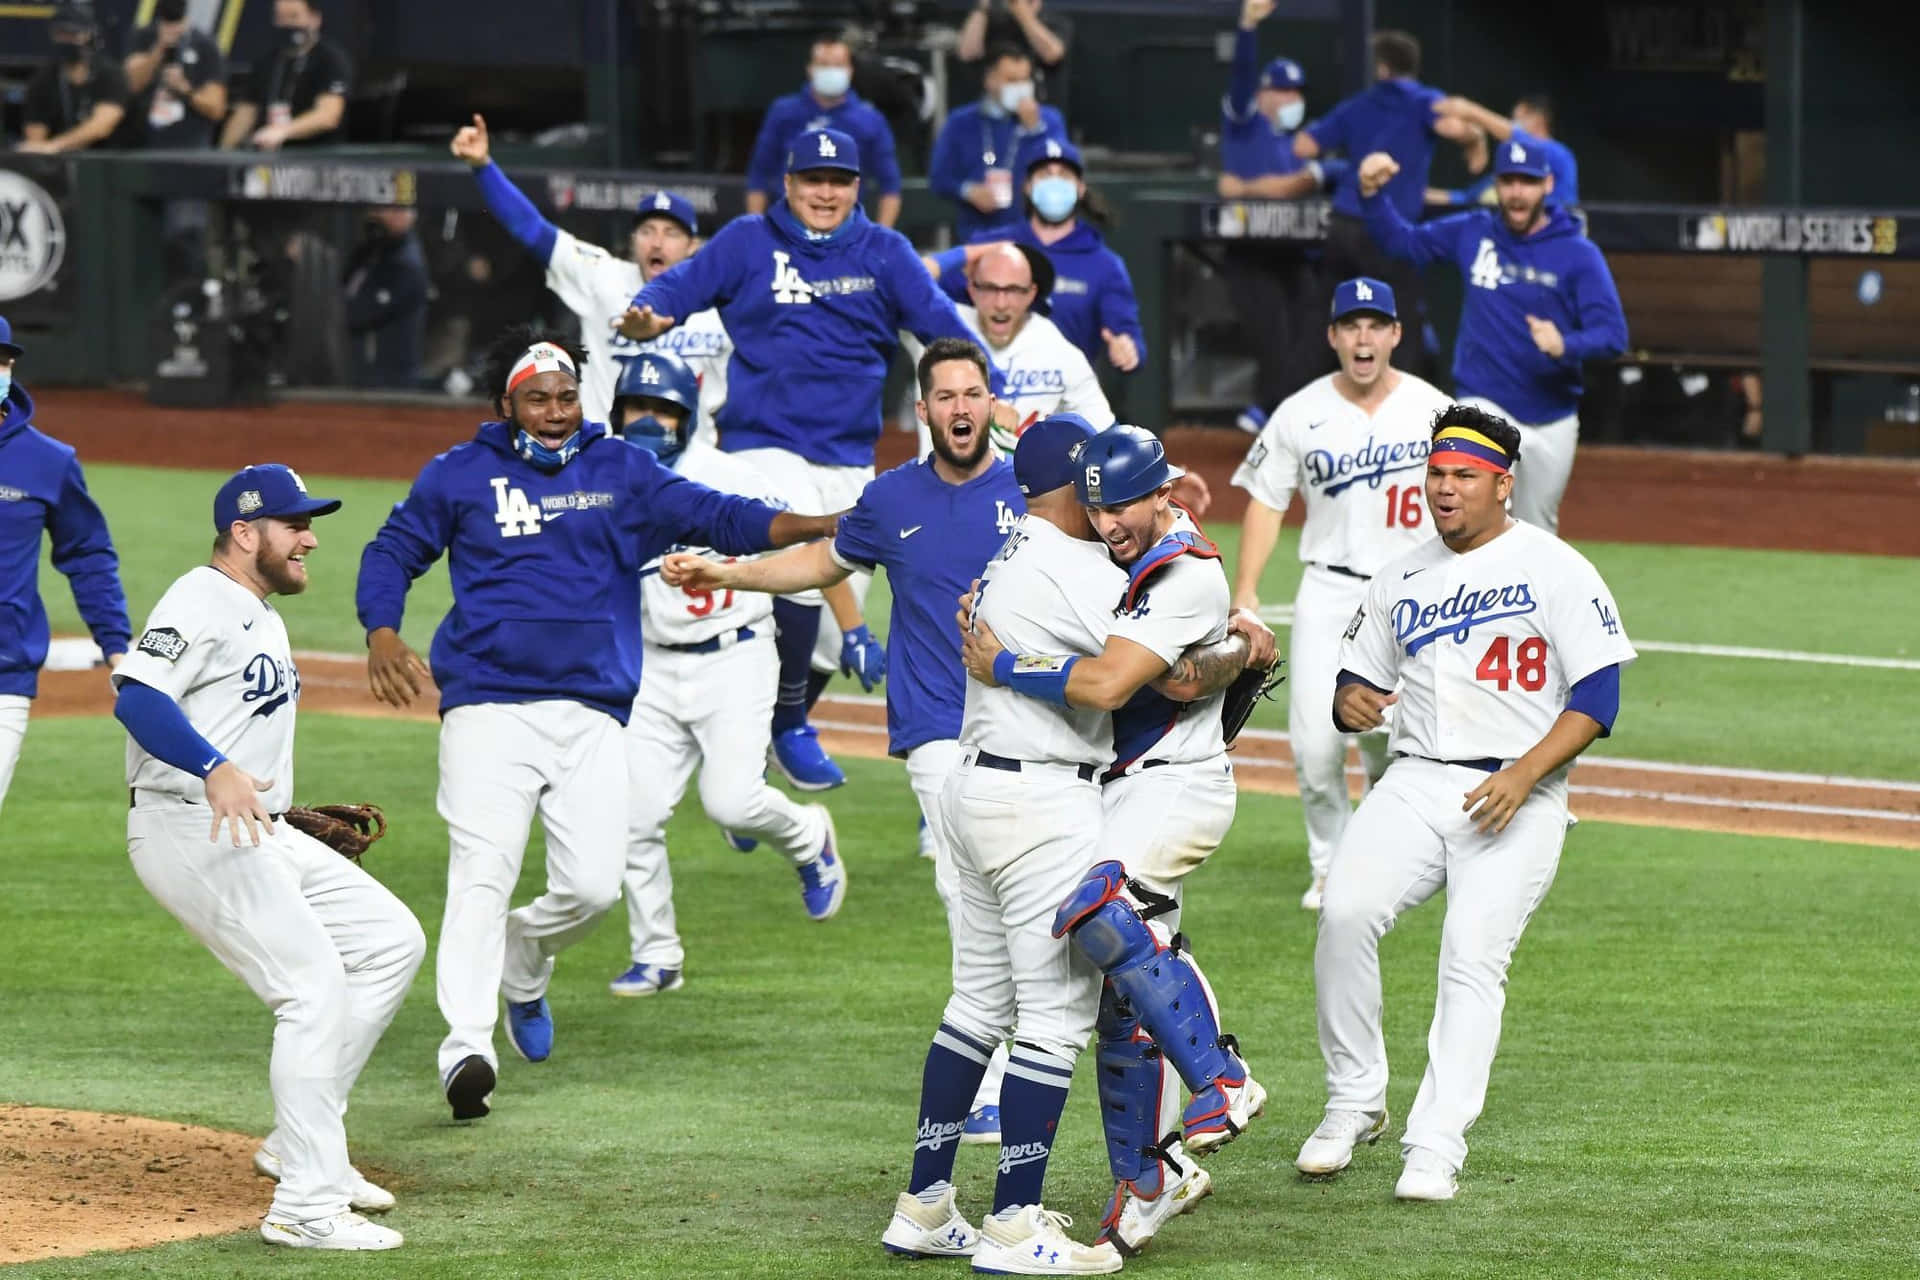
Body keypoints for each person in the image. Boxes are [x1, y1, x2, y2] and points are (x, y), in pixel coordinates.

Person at [354, 327, 842, 1121]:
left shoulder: (621, 471)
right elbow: (393, 549)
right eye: (537, 398)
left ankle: (528, 953)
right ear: (506, 405)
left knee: (591, 889)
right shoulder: (461, 474)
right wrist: (381, 628)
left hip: (591, 712)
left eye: (566, 396)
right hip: (486, 706)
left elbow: (721, 517)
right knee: (481, 873)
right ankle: (466, 1046)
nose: (554, 411)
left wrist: (821, 524)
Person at [1297, 405, 1635, 1201]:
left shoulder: (1557, 568)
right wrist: (1350, 701)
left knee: (1471, 955)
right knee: (1343, 914)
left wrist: (1525, 775)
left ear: (1502, 486)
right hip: (1415, 780)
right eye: (1437, 475)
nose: (1445, 491)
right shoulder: (1401, 575)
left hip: (1522, 792)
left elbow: (1599, 696)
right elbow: (1356, 676)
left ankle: (1437, 1143)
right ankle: (1354, 1101)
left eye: (1463, 478)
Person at [959, 424, 1273, 1257]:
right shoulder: (1116, 559)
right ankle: (1147, 1177)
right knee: (1119, 1000)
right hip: (1122, 788)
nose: (1109, 523)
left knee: (1101, 908)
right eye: (1096, 507)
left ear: (1164, 492)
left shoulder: (1186, 572)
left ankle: (1223, 1080)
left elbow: (1113, 681)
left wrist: (1007, 662)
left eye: (1125, 505)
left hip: (1178, 784)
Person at [621, 127, 994, 792]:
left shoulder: (885, 253)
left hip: (849, 454)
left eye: (840, 180)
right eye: (813, 180)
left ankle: (757, 741)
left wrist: (985, 382)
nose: (826, 192)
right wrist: (650, 314)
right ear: (788, 183)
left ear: (858, 188)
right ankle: (790, 723)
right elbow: (678, 286)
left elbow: (942, 325)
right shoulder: (747, 241)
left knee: (832, 619)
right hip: (762, 443)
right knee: (808, 562)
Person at [115, 464, 425, 1250]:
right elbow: (138, 694)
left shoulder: (257, 611)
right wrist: (215, 768)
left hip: (259, 828)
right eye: (295, 525)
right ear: (245, 534)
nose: (311, 537)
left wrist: (271, 800)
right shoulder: (200, 596)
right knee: (312, 989)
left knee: (390, 943)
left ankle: (301, 1143)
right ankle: (305, 1206)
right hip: (189, 827)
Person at [877, 414, 1123, 1274]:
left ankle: (925, 1203)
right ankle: (1015, 1220)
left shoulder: (1015, 548)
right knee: (1055, 1018)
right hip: (1041, 802)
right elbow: (1150, 668)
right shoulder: (1079, 567)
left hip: (973, 786)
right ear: (1078, 484)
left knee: (977, 1006)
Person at [607, 350, 845, 1001]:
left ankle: (809, 838)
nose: (649, 421)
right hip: (654, 668)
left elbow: (811, 553)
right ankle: (657, 954)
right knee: (633, 815)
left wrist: (846, 631)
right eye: (637, 408)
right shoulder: (607, 479)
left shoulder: (731, 477)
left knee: (731, 802)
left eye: (663, 410)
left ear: (688, 415)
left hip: (736, 655)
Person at [1230, 277, 1450, 911]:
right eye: (1351, 326)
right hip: (1327, 592)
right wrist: (1246, 592)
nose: (1363, 337)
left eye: (1375, 325)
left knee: (1393, 740)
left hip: (1410, 595)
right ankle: (1329, 863)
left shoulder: (1434, 408)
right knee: (1316, 742)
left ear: (1395, 335)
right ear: (1333, 337)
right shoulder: (1300, 412)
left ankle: (1385, 855)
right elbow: (1266, 501)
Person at [1357, 141, 1627, 531]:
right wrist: (1371, 195)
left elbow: (1614, 335)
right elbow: (1404, 242)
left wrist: (1567, 344)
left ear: (1548, 185)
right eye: (1508, 181)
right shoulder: (1473, 231)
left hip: (1552, 415)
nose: (1517, 191)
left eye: (1528, 182)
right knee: (1479, 517)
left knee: (1537, 531)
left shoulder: (1577, 253)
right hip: (1485, 402)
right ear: (1496, 185)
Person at [450, 113, 731, 431]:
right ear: (632, 240)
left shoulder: (722, 301)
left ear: (693, 245)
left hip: (691, 457)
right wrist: (483, 168)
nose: (657, 243)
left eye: (671, 233)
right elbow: (531, 229)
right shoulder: (602, 274)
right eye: (647, 231)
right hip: (607, 456)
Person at [1292, 29, 1483, 381]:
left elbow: (1303, 146)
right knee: (1399, 319)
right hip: (1390, 231)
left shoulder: (1358, 104)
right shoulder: (1425, 101)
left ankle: (1300, 408)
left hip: (1344, 224)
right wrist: (1477, 143)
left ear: (1382, 68)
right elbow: (1458, 129)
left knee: (1326, 319)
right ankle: (1402, 418)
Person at [0, 316, 130, 818]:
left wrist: (115, 644)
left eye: (2, 361)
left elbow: (88, 554)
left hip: (3, 679)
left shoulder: (48, 461)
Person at [1216, 0, 1346, 422]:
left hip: (1295, 250)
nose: (1291, 98)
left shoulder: (1301, 143)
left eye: (1296, 91)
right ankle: (1269, 409)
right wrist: (1248, 28)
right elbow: (1240, 79)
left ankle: (1273, 409)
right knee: (1272, 331)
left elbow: (1337, 171)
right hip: (1251, 248)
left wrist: (1260, 186)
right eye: (1282, 90)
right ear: (1264, 93)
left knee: (1313, 328)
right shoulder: (1245, 123)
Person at [931, 137, 1146, 378]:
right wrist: (965, 256)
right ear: (1028, 186)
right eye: (1045, 174)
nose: (1054, 182)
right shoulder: (990, 247)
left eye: (1063, 175)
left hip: (1067, 401)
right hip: (993, 393)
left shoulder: (1104, 264)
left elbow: (1126, 334)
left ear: (1080, 187)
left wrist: (1128, 349)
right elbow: (927, 287)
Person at [906, 242, 1111, 459]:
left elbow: (1103, 432)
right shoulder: (941, 323)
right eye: (990, 288)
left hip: (1023, 490)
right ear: (972, 289)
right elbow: (903, 281)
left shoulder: (1056, 348)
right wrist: (970, 253)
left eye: (1013, 290)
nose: (1001, 303)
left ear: (1031, 293)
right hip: (941, 486)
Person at [744, 34, 902, 228]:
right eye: (824, 64)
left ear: (850, 70)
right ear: (810, 69)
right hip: (787, 225)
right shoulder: (783, 112)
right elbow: (758, 175)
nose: (831, 71)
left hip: (847, 228)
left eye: (838, 65)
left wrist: (881, 240)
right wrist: (756, 233)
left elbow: (891, 186)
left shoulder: (871, 119)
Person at [929, 45, 1067, 241]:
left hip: (1038, 237)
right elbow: (939, 178)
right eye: (1011, 80)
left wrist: (1035, 130)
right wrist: (968, 191)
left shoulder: (1049, 121)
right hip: (977, 237)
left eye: (1025, 80)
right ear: (990, 80)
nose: (1020, 88)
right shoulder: (961, 122)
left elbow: (1062, 172)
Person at [220, 0, 352, 151]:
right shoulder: (267, 62)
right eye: (281, 18)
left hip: (314, 157)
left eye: (294, 17)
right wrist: (224, 153)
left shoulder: (330, 59)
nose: (287, 24)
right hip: (269, 159)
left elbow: (328, 115)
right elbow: (245, 113)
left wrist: (283, 131)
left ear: (314, 19)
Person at [1430, 93, 1579, 209]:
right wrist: (1416, 192)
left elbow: (1523, 140)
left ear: (1539, 119)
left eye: (1519, 119)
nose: (1513, 124)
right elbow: (1464, 197)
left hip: (1553, 237)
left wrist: (1470, 111)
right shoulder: (1509, 169)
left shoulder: (1559, 154)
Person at [18, 3, 130, 155]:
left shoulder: (109, 73)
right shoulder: (43, 80)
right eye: (60, 33)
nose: (65, 40)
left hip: (107, 162)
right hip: (57, 166)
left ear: (87, 35)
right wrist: (43, 148)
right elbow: (35, 137)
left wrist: (56, 145)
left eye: (72, 34)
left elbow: (102, 126)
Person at [344, 207, 430, 390]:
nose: (380, 215)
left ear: (409, 218)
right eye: (378, 209)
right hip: (365, 373)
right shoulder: (370, 253)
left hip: (392, 379)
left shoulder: (406, 264)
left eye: (395, 210)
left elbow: (360, 314)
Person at [124, 0, 227, 150]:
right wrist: (159, 49)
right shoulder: (142, 37)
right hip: (142, 145)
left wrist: (184, 89)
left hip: (188, 149)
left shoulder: (205, 45)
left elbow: (216, 108)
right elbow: (129, 86)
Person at [956, 0, 1072, 108]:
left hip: (1037, 105)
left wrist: (1021, 10)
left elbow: (1053, 54)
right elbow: (967, 53)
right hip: (991, 105)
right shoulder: (993, 21)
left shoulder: (1056, 22)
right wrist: (983, 6)